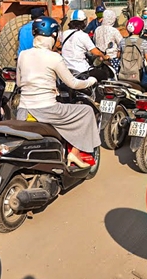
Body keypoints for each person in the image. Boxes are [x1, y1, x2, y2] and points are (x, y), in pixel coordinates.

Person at [17, 17, 100, 168]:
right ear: (53, 36)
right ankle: (75, 153)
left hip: (23, 110)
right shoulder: (54, 57)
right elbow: (73, 83)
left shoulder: (23, 55)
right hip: (47, 109)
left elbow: (19, 83)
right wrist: (91, 81)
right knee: (87, 111)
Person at [60, 10, 112, 81]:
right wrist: (104, 56)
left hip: (67, 70)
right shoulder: (83, 35)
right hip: (81, 70)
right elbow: (95, 52)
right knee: (103, 74)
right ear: (84, 22)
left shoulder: (64, 34)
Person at [118, 16, 147, 90]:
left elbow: (118, 55)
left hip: (123, 74)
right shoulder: (143, 42)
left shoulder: (123, 41)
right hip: (137, 75)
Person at [94, 9, 123, 74]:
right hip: (112, 59)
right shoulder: (114, 31)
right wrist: (118, 52)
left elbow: (94, 40)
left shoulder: (97, 29)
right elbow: (121, 43)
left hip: (99, 59)